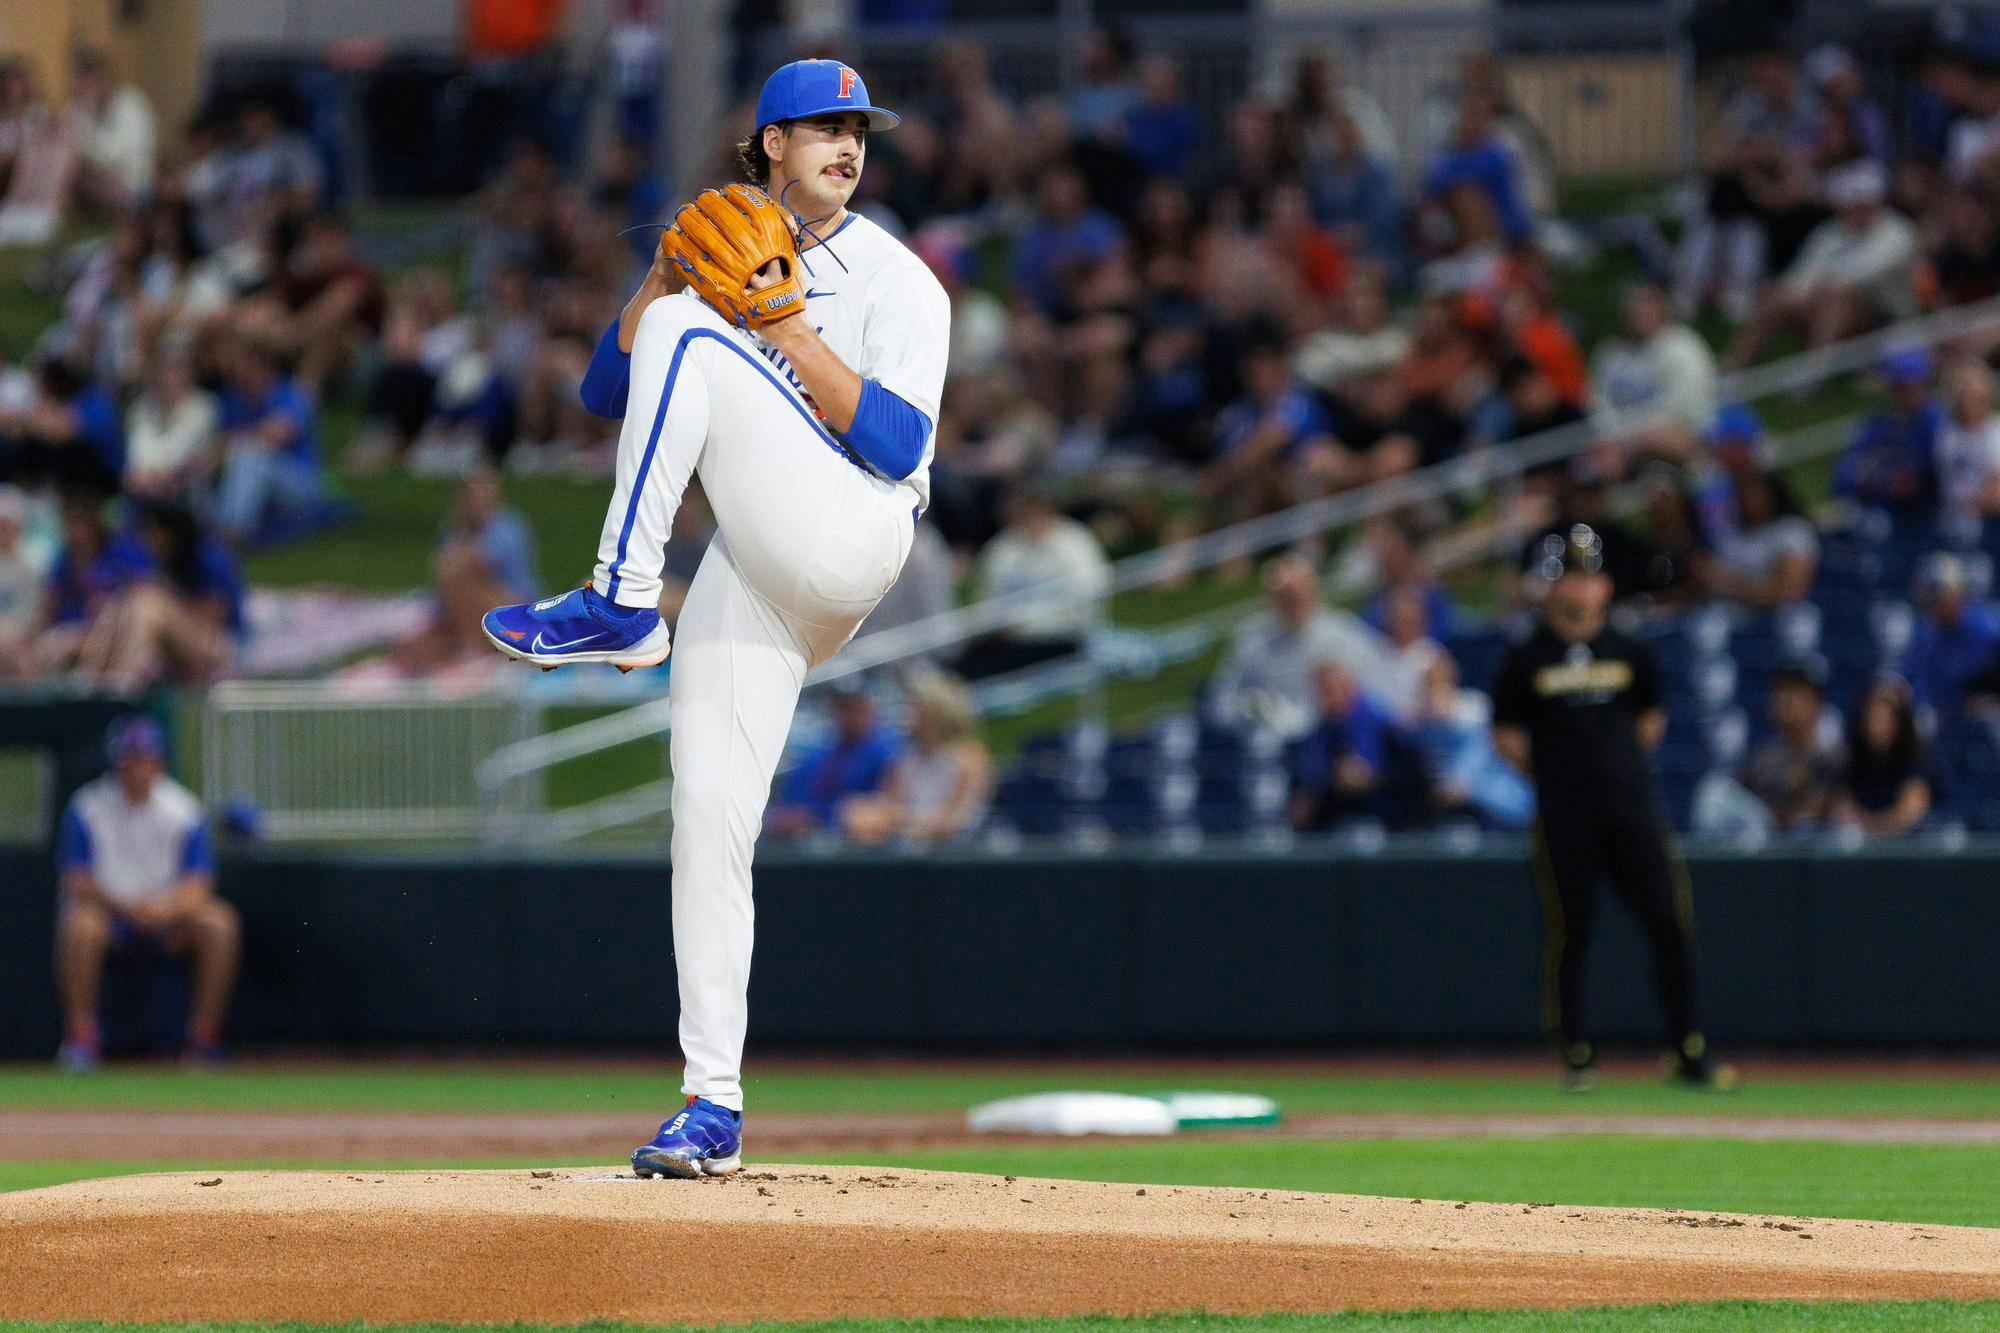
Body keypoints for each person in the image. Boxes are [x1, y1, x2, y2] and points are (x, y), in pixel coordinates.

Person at [479, 60, 947, 1179]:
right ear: (769, 143)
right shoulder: (709, 252)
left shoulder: (900, 280)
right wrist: (655, 276)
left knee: (694, 329)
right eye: (821, 126)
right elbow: (604, 392)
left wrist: (780, 325)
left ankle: (622, 603)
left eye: (858, 128)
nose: (846, 142)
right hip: (752, 566)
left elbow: (894, 448)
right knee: (707, 818)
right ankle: (712, 1103)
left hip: (853, 530)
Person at [1491, 525, 1732, 1091]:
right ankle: (1576, 1053)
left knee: (1668, 922)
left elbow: (1650, 719)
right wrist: (1556, 771)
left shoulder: (1628, 648)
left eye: (1586, 575)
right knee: (1572, 929)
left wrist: (1608, 767)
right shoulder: (1528, 657)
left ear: (1603, 585)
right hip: (1563, 816)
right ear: (1548, 588)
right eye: (1566, 576)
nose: (1577, 587)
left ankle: (1686, 1048)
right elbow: (1505, 733)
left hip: (1629, 810)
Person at [53, 717, 239, 1071]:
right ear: (117, 762)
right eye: (131, 759)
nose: (139, 768)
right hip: (112, 915)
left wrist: (163, 910)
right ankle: (81, 1037)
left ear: (160, 763)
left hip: (168, 917)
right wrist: (126, 907)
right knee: (80, 926)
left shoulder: (184, 810)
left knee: (220, 923)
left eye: (146, 759)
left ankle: (203, 1037)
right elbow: (76, 879)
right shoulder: (88, 806)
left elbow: (199, 886)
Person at [1209, 552, 1385, 737]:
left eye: (1297, 595)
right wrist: (1247, 709)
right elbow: (1220, 703)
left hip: (1328, 740)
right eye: (1284, 596)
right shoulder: (1252, 641)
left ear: (1314, 590)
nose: (1292, 603)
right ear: (1270, 599)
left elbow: (1373, 693)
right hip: (1263, 742)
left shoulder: (1344, 636)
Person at [956, 485, 1110, 680]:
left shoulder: (1076, 545)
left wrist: (1025, 626)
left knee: (978, 670)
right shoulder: (1005, 546)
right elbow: (985, 598)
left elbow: (1084, 605)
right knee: (963, 660)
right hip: (1004, 635)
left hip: (1057, 638)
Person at [841, 670, 993, 845]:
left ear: (939, 712)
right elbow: (887, 803)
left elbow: (954, 821)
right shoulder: (906, 758)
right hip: (908, 848)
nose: (909, 716)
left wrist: (895, 817)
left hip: (958, 852)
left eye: (917, 708)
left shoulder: (968, 759)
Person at [1694, 663, 1841, 839]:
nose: (1786, 701)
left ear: (1817, 704)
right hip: (1767, 840)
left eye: (1796, 693)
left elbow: (1828, 807)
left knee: (1809, 825)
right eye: (1781, 693)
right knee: (1714, 790)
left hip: (1819, 843)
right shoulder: (1765, 755)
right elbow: (1740, 793)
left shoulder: (1832, 754)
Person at [766, 679, 904, 835]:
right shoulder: (818, 755)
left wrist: (818, 816)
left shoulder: (885, 752)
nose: (847, 716)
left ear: (867, 708)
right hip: (806, 843)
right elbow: (786, 806)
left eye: (853, 707)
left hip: (858, 845)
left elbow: (879, 809)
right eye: (841, 707)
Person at [1289, 659, 1395, 832]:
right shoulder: (1322, 728)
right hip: (1333, 822)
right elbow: (1311, 779)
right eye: (1320, 691)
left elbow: (1374, 774)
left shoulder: (1376, 720)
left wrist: (1367, 777)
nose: (1324, 698)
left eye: (1329, 690)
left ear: (1348, 687)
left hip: (1382, 819)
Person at [1901, 553, 2000, 722]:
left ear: (1959, 592)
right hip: (1949, 720)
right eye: (1930, 598)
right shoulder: (1926, 636)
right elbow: (1919, 689)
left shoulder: (1989, 627)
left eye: (1940, 596)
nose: (1935, 605)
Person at [1831, 675, 1933, 836]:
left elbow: (1907, 815)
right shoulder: (1851, 756)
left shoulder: (1917, 757)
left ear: (1900, 721)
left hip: (1907, 848)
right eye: (1873, 715)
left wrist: (1867, 825)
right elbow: (1842, 809)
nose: (1877, 723)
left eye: (1885, 716)